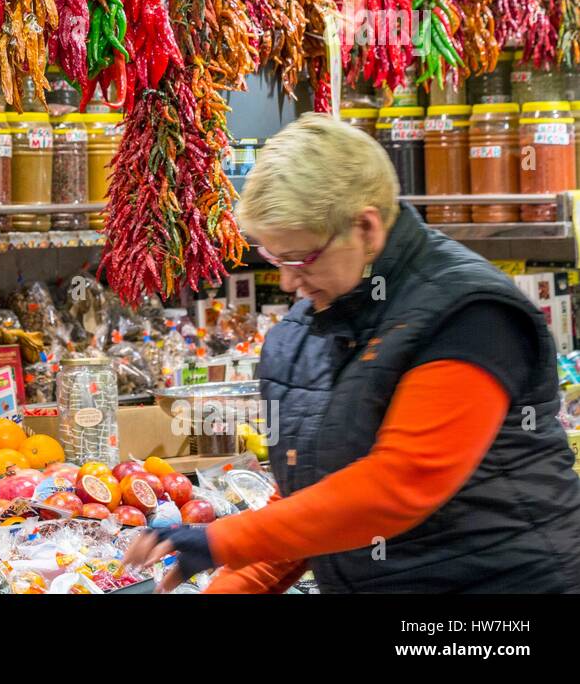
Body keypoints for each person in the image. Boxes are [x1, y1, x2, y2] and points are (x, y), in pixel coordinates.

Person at [127, 113, 580, 593]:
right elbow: (313, 504)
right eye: (274, 259)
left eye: (300, 258)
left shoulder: (469, 313)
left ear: (365, 228)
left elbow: (397, 485)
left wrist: (222, 539)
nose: (286, 282)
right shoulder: (306, 328)